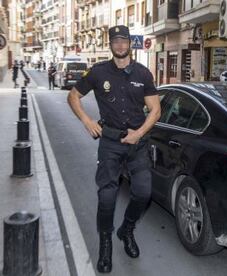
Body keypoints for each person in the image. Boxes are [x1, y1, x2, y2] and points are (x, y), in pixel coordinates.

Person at [67, 25, 160, 273]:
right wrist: (87, 121)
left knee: (143, 193)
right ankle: (106, 243)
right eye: (115, 41)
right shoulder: (98, 72)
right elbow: (73, 96)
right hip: (109, 143)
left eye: (124, 41)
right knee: (107, 197)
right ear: (110, 44)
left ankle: (126, 230)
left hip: (137, 144)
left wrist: (138, 134)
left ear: (130, 43)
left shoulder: (143, 73)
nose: (120, 45)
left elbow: (156, 109)